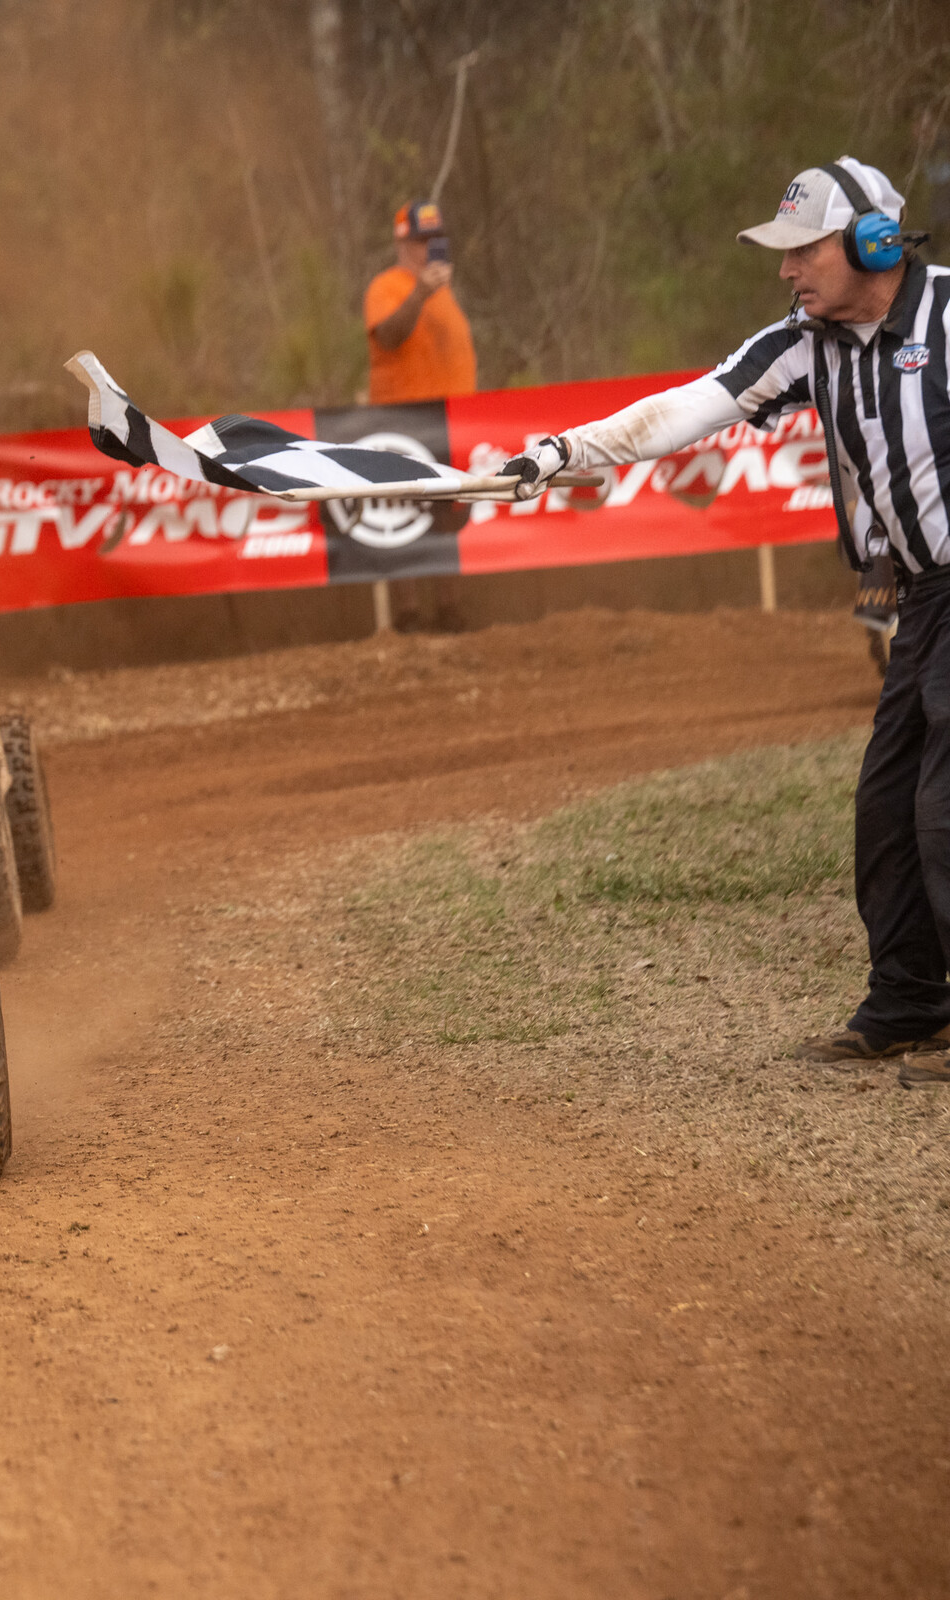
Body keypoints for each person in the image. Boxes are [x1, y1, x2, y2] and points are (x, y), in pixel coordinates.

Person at [503, 156, 948, 1085]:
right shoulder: (803, 343)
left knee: (944, 808)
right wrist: (561, 451)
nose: (786, 271)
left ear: (873, 240)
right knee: (886, 807)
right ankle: (910, 1003)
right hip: (921, 598)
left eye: (802, 250)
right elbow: (683, 411)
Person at [364, 200, 477, 404]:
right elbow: (387, 337)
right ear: (402, 243)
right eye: (422, 240)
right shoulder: (385, 285)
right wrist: (420, 294)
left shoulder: (444, 293)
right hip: (407, 421)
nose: (430, 247)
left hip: (456, 421)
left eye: (436, 239)